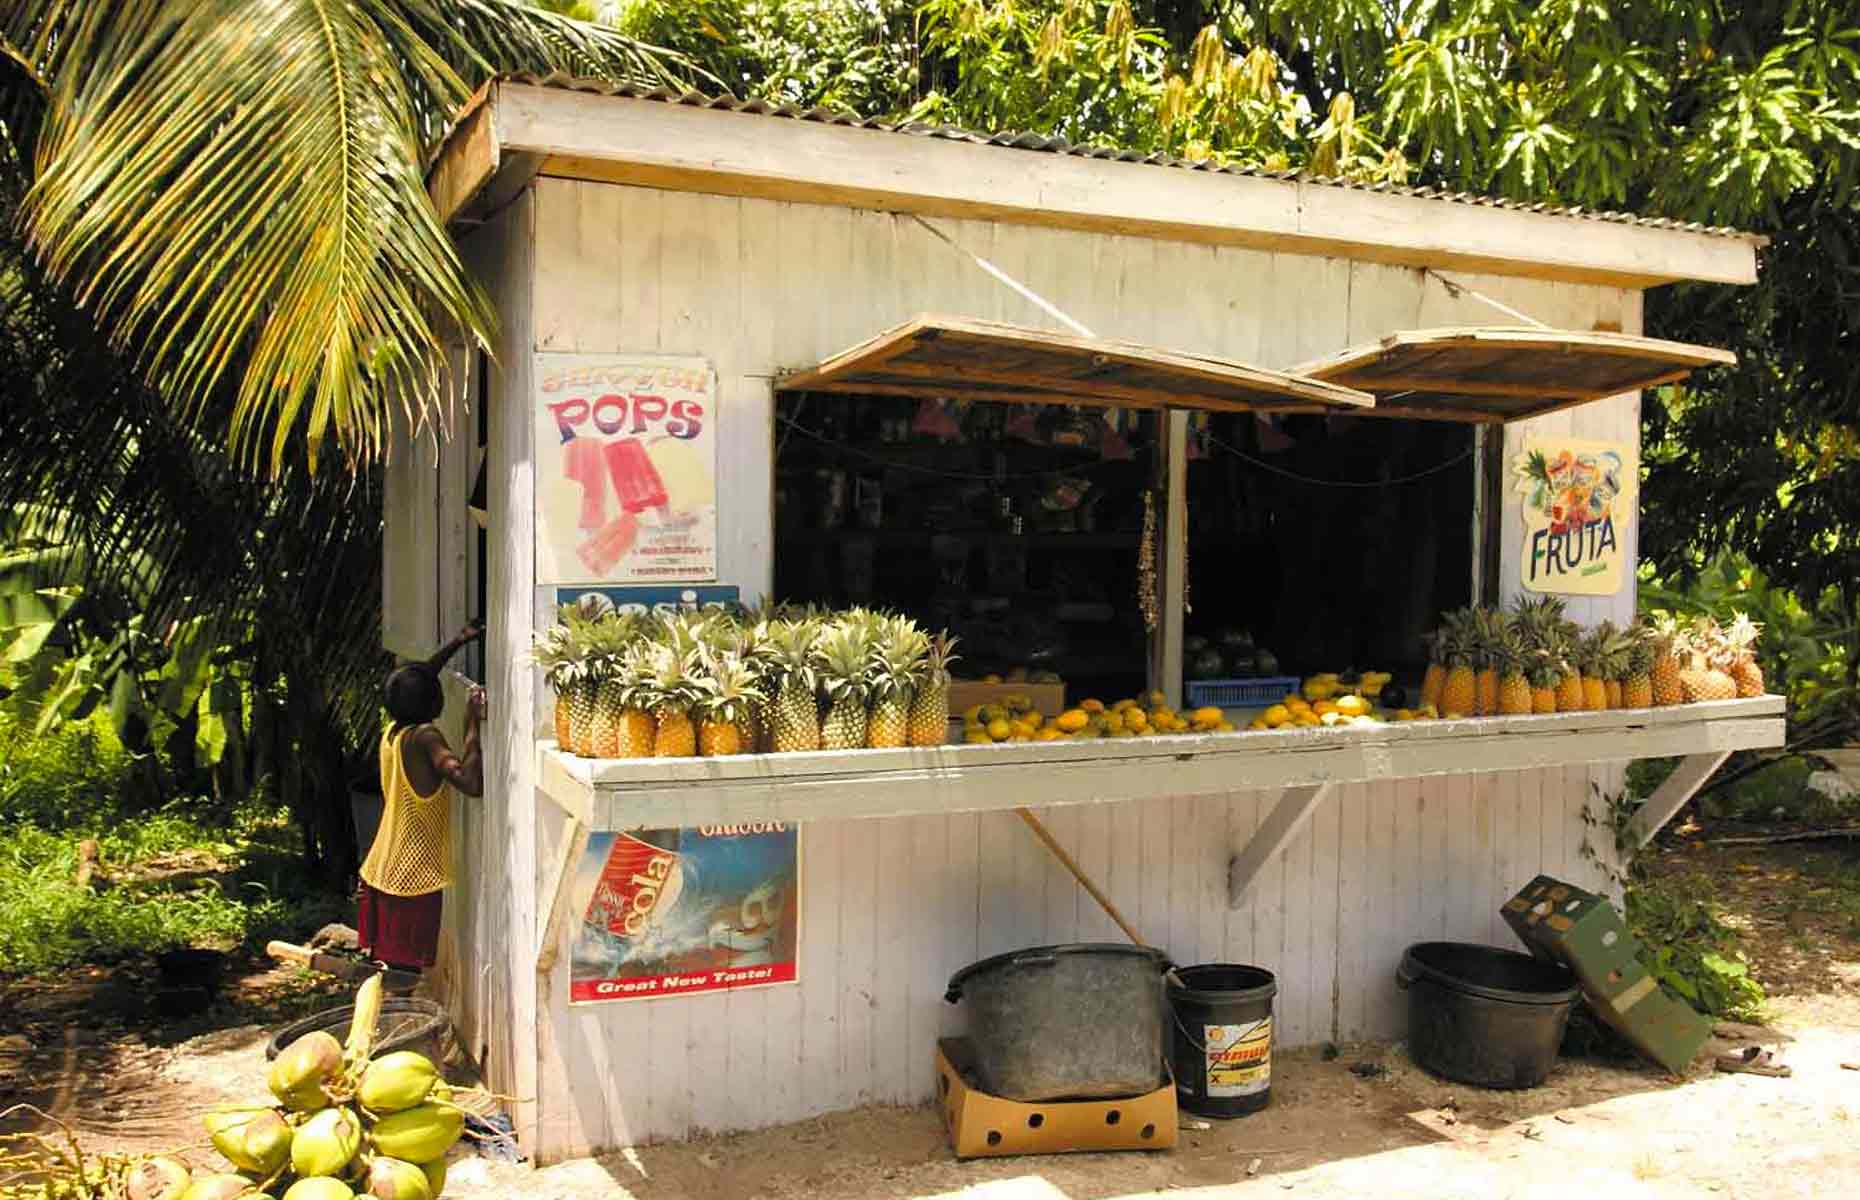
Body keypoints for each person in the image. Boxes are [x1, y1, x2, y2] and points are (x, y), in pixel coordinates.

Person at [359, 621, 485, 974]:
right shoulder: (426, 738)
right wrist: (472, 722)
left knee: (386, 970)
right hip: (411, 878)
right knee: (403, 975)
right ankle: (389, 1029)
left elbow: (419, 678)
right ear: (434, 701)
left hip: (382, 868)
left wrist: (458, 642)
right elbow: (471, 783)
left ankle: (378, 1026)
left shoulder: (395, 731)